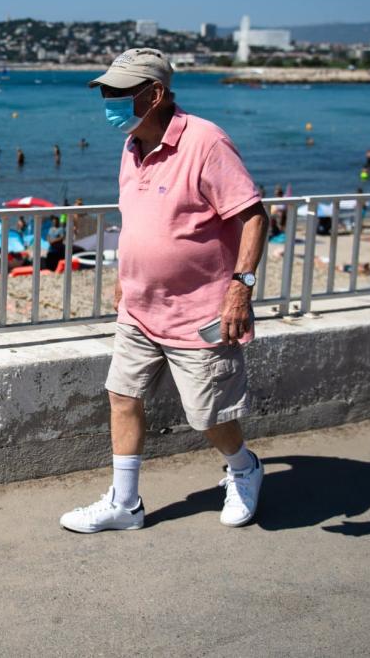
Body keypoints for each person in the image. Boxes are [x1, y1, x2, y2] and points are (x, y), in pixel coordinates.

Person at [61, 48, 268, 534]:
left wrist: (241, 287)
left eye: (117, 92)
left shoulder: (206, 143)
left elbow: (253, 215)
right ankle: (125, 504)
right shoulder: (132, 144)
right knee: (122, 395)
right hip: (138, 306)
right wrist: (124, 275)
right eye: (106, 91)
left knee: (209, 415)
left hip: (198, 311)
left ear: (153, 95)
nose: (108, 100)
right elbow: (139, 221)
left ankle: (244, 469)